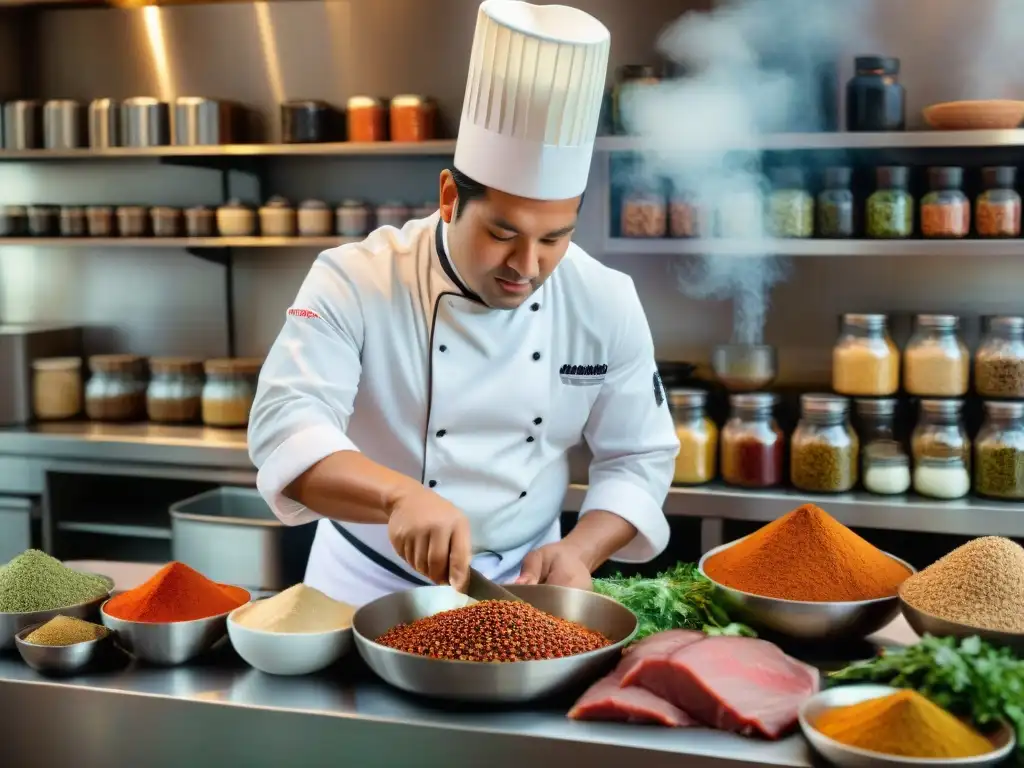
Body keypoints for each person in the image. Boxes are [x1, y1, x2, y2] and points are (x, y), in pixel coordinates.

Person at [248, 0, 679, 607]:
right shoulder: (356, 279)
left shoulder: (604, 299)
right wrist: (396, 495)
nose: (527, 268)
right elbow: (285, 429)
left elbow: (639, 456)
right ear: (449, 196)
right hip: (360, 587)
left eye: (554, 238)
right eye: (503, 234)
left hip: (525, 592)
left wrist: (581, 550)